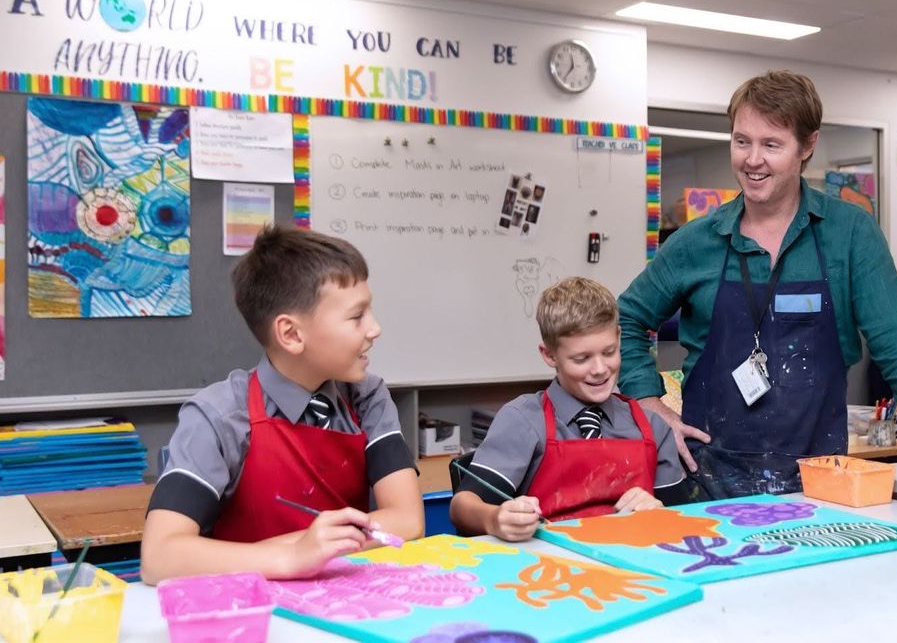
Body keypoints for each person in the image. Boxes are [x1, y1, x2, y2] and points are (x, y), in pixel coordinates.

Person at [618, 69, 897, 500]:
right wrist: (649, 405)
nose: (752, 159)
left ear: (808, 145)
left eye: (772, 144)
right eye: (742, 141)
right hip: (705, 485)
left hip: (819, 486)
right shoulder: (695, 242)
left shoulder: (850, 234)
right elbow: (625, 317)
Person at [141, 226, 424, 583]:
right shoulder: (220, 416)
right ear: (291, 334)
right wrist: (293, 555)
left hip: (346, 599)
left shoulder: (367, 397)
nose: (375, 328)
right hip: (251, 610)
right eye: (357, 316)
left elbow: (407, 520)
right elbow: (160, 556)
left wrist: (319, 548)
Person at [450, 277, 688, 541]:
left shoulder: (652, 427)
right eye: (581, 358)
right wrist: (495, 519)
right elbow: (462, 507)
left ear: (619, 337)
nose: (599, 369)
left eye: (609, 352)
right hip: (547, 573)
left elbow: (683, 520)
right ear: (549, 355)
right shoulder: (524, 420)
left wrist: (661, 512)